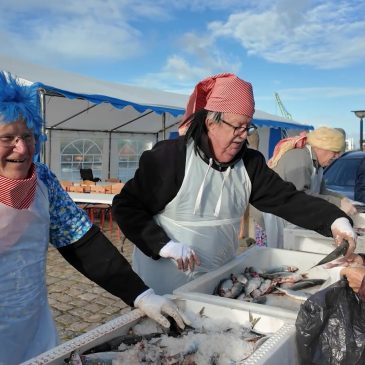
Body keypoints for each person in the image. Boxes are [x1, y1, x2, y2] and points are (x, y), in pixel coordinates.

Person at [0, 71, 186, 365]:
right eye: (7, 138)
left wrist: (141, 294)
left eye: (28, 137)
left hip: (33, 332)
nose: (21, 149)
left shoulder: (43, 181)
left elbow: (83, 242)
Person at [112, 72, 357, 295]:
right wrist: (162, 245)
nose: (243, 135)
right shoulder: (171, 158)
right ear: (211, 122)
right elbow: (126, 206)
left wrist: (335, 220)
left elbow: (287, 199)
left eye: (247, 126)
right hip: (166, 282)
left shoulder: (249, 164)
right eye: (237, 126)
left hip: (219, 285)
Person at [263, 127, 357, 247]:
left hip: (290, 217)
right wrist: (338, 203)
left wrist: (342, 199)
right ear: (319, 147)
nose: (337, 156)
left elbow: (322, 190)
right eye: (335, 151)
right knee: (276, 256)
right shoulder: (300, 158)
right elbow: (299, 195)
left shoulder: (317, 163)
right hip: (273, 217)